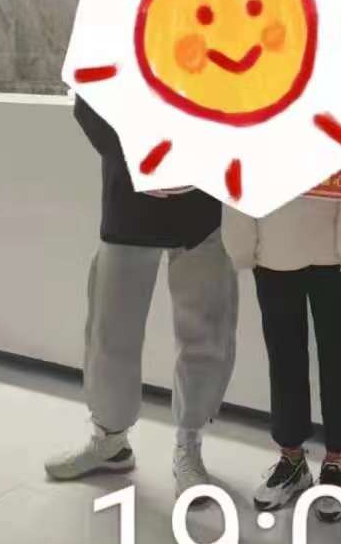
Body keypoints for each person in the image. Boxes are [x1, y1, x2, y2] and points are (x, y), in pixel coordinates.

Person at [45, 94, 239, 503]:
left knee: (205, 329)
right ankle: (110, 440)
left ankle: (189, 445)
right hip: (128, 201)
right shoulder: (115, 46)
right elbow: (88, 99)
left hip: (200, 203)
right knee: (110, 331)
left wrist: (206, 157)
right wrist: (139, 158)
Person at [222, 194, 341, 520]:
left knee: (338, 355)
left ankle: (336, 461)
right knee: (284, 357)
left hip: (337, 240)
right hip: (274, 238)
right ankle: (291, 459)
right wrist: (241, 239)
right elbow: (239, 168)